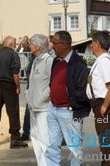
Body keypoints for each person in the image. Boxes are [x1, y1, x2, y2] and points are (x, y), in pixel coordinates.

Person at [45, 30, 90, 166]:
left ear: (64, 45)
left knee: (74, 149)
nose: (52, 46)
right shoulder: (56, 61)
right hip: (53, 109)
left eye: (55, 43)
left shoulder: (78, 64)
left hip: (69, 111)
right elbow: (53, 81)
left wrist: (71, 105)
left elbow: (82, 90)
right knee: (52, 146)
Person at [88, 30, 110, 165]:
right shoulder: (102, 61)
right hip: (103, 104)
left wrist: (103, 108)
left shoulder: (104, 62)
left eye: (92, 43)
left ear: (98, 44)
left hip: (107, 105)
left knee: (108, 147)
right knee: (107, 146)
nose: (91, 46)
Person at [0, 35, 26, 148]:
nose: (15, 46)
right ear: (11, 44)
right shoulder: (14, 55)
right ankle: (14, 138)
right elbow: (15, 74)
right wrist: (18, 86)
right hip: (9, 85)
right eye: (14, 44)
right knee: (13, 111)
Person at [25, 33, 53, 166]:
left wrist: (43, 97)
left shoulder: (49, 61)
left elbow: (52, 84)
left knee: (44, 139)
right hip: (33, 106)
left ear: (38, 46)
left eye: (31, 43)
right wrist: (28, 96)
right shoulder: (35, 60)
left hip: (43, 108)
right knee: (35, 138)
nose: (29, 45)